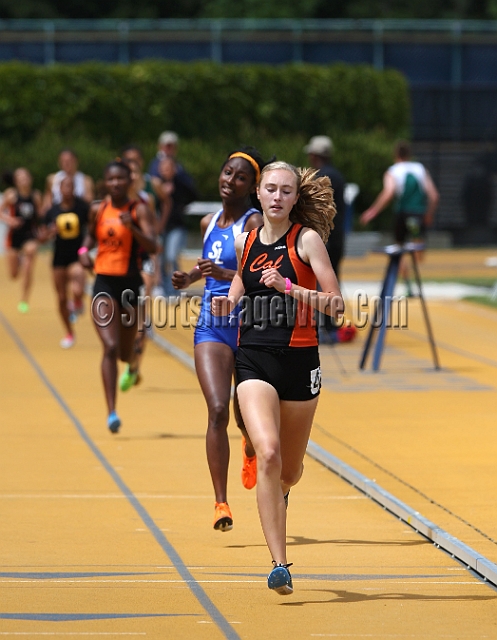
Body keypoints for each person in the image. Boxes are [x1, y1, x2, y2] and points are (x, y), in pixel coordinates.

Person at [212, 161, 343, 595]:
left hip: (300, 363)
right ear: (259, 194)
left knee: (288, 471)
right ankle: (279, 564)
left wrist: (290, 290)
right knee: (267, 454)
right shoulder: (247, 240)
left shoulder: (306, 241)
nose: (277, 197)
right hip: (254, 359)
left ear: (295, 197)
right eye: (270, 189)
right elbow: (238, 287)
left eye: (286, 191)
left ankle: (282, 484)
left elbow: (336, 307)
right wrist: (226, 305)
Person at [172, 148, 266, 532]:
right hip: (211, 324)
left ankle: (248, 442)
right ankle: (221, 503)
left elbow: (258, 274)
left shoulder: (254, 221)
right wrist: (191, 277)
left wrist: (224, 272)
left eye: (240, 177)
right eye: (227, 172)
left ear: (252, 186)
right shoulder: (209, 221)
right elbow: (206, 263)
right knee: (216, 409)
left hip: (247, 327)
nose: (231, 180)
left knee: (244, 416)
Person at [78, 160, 156, 433]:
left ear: (129, 182)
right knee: (109, 348)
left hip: (130, 287)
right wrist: (82, 254)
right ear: (105, 181)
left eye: (121, 179)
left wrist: (132, 227)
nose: (116, 184)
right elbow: (89, 239)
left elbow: (154, 245)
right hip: (103, 284)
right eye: (111, 179)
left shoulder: (139, 210)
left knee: (124, 352)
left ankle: (133, 366)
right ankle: (111, 412)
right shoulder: (98, 209)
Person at [360, 140, 439, 295]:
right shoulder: (420, 168)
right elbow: (434, 196)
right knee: (417, 250)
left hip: (402, 213)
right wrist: (429, 214)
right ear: (409, 154)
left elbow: (388, 192)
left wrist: (373, 211)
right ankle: (417, 281)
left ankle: (408, 284)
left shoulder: (393, 171)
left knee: (399, 249)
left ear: (395, 155)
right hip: (418, 212)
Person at [304, 135, 355, 344]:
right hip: (338, 238)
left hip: (324, 239)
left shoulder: (320, 177)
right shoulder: (339, 176)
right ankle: (330, 325)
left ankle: (323, 327)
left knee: (320, 284)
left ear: (314, 155)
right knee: (333, 281)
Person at [148, 131, 198, 295]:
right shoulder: (153, 169)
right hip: (158, 224)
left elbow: (193, 192)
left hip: (176, 223)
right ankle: (164, 289)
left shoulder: (180, 170)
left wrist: (178, 176)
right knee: (161, 259)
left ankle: (175, 289)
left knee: (171, 256)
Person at [43, 175, 89, 348]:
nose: (68, 190)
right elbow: (42, 235)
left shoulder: (81, 207)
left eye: (71, 186)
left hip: (76, 256)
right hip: (59, 258)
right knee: (61, 298)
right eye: (65, 186)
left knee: (78, 282)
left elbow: (92, 228)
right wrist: (49, 232)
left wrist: (87, 250)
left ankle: (77, 300)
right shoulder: (52, 211)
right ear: (59, 189)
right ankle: (69, 332)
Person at [0, 167, 42, 313]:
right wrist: (10, 220)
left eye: (25, 177)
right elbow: (0, 212)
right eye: (20, 178)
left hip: (29, 235)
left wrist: (41, 231)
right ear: (16, 181)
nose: (23, 180)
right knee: (13, 274)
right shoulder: (11, 195)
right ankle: (19, 259)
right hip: (14, 237)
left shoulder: (35, 196)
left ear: (30, 179)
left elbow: (40, 215)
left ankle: (24, 299)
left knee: (29, 260)